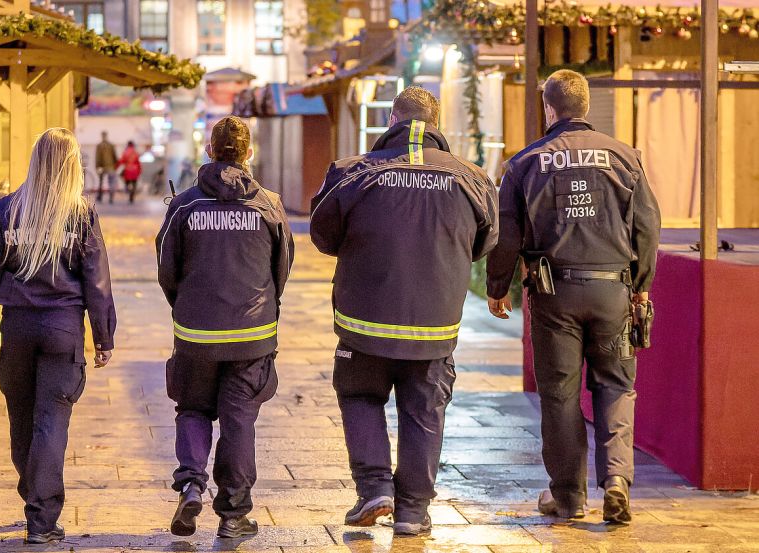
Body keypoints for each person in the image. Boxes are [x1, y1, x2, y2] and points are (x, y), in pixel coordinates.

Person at [310, 86, 498, 536]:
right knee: (424, 409)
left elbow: (323, 234)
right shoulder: (471, 177)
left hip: (363, 323)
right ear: (436, 121)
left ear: (393, 119)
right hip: (434, 324)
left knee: (359, 396)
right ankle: (413, 511)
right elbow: (485, 242)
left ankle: (375, 488)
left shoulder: (351, 172)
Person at [485, 70, 661, 525]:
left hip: (553, 294)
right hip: (613, 292)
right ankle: (618, 482)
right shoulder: (626, 158)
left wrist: (497, 286)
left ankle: (568, 497)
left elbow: (507, 234)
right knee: (616, 386)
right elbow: (647, 225)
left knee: (560, 395)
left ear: (549, 108)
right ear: (586, 106)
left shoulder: (525, 162)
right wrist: (640, 284)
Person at [0, 128, 117, 544]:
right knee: (51, 421)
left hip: (17, 326)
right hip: (62, 327)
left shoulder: (6, 210)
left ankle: (33, 495)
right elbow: (98, 282)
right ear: (73, 166)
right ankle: (41, 517)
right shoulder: (81, 214)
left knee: (21, 418)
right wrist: (103, 336)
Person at [156, 116, 294, 539]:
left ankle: (192, 484)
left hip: (197, 334)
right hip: (251, 337)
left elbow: (167, 269)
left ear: (210, 151)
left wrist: (186, 307)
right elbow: (282, 267)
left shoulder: (185, 206)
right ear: (249, 154)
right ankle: (234, 515)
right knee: (239, 421)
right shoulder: (268, 204)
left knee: (193, 408)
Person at [94, 131, 118, 203]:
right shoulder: (111, 145)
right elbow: (115, 156)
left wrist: (97, 166)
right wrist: (115, 165)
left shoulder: (99, 145)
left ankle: (100, 197)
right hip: (110, 166)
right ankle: (111, 197)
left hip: (102, 167)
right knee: (111, 182)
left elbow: (97, 157)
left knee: (101, 182)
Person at [117, 140, 141, 204]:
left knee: (127, 183)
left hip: (127, 170)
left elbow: (122, 161)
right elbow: (138, 163)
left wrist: (116, 166)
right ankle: (132, 196)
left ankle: (128, 189)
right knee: (134, 184)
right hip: (135, 171)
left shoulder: (125, 152)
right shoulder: (136, 152)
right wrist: (140, 171)